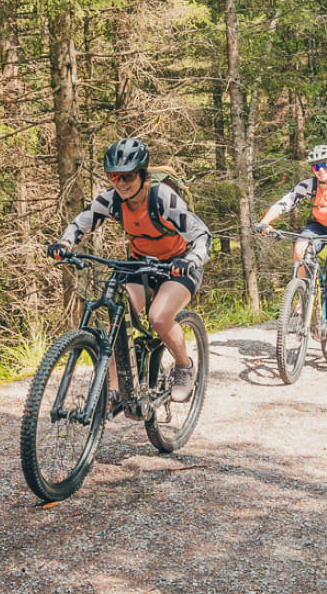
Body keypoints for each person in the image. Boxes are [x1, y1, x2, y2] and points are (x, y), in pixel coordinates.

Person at [48, 138, 210, 407]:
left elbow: (202, 235)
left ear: (143, 175)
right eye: (114, 176)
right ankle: (116, 388)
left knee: (158, 317)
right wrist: (65, 244)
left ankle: (184, 366)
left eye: (127, 176)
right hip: (140, 264)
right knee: (115, 314)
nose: (120, 183)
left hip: (177, 265)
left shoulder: (162, 199)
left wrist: (191, 259)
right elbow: (82, 223)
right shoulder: (112, 200)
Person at [257, 145, 327, 357]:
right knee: (300, 247)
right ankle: (303, 295)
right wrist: (265, 222)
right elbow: (285, 203)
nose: (321, 170)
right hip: (318, 227)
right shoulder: (309, 186)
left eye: (325, 165)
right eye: (316, 166)